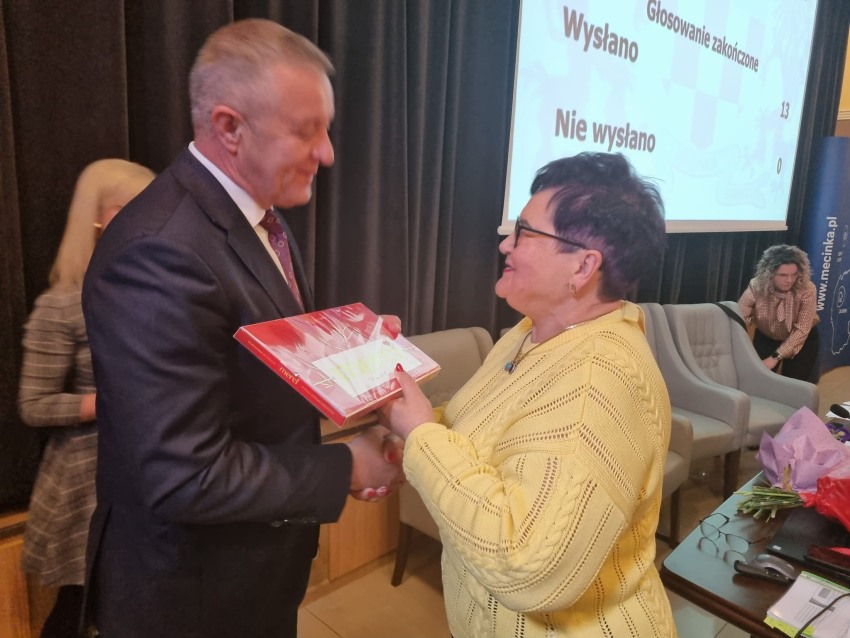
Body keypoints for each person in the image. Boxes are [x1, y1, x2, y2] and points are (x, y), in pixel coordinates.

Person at [81, 19, 403, 638]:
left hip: (253, 571)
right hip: (193, 597)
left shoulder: (259, 219)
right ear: (229, 127)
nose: (328, 153)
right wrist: (346, 467)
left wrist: (351, 357)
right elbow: (185, 474)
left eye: (327, 129)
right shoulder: (159, 252)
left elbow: (248, 363)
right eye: (306, 131)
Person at [379, 152, 676, 637]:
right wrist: (399, 422)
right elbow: (482, 434)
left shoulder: (598, 382)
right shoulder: (530, 332)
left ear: (584, 266)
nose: (505, 244)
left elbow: (525, 562)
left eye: (523, 232)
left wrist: (420, 437)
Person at [18, 159, 155, 638]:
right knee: (78, 612)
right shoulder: (59, 305)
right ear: (97, 218)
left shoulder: (150, 292)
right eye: (132, 208)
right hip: (85, 483)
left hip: (143, 472)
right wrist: (110, 401)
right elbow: (33, 404)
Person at [738, 244, 819, 381]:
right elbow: (740, 316)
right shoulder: (756, 286)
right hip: (767, 337)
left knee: (794, 384)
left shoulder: (807, 289)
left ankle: (798, 397)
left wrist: (775, 357)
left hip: (802, 340)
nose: (789, 280)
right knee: (760, 380)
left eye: (794, 274)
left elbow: (802, 330)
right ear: (769, 274)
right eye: (783, 275)